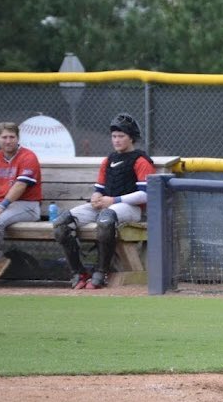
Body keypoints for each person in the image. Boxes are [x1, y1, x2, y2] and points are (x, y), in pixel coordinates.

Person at [52, 113, 156, 290]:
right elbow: (99, 189)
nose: (116, 140)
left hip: (131, 208)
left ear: (131, 138)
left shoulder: (140, 160)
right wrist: (95, 197)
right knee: (62, 223)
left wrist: (113, 200)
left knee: (106, 219)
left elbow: (145, 195)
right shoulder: (108, 160)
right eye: (114, 136)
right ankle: (78, 272)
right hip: (108, 205)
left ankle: (101, 271)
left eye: (121, 136)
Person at [0, 121, 43, 280]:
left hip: (27, 206)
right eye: (4, 137)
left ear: (18, 138)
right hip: (2, 204)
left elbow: (20, 185)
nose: (8, 141)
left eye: (12, 137)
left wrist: (1, 206)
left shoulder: (28, 156)